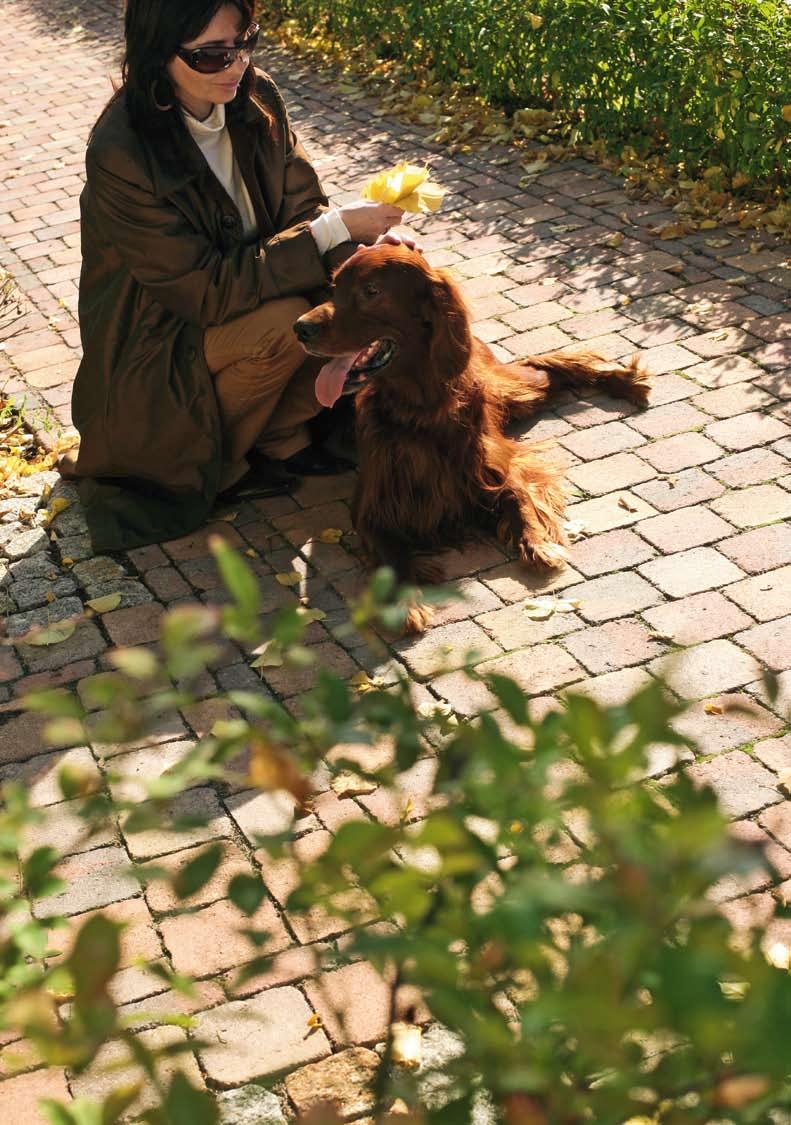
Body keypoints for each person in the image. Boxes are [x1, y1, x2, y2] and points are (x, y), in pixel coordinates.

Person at [65, 0, 411, 552]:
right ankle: (220, 466)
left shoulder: (256, 95)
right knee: (286, 325)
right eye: (211, 56)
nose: (235, 65)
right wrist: (330, 231)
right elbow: (205, 292)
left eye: (245, 42)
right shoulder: (123, 152)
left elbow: (305, 209)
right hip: (160, 345)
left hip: (244, 300)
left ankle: (279, 436)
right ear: (158, 56)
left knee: (369, 292)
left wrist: (359, 250)